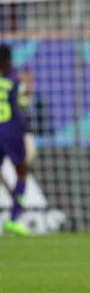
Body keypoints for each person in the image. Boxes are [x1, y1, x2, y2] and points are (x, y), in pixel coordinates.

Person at [0, 44, 30, 236]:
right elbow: (21, 105)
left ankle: (15, 201)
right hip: (10, 130)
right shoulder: (14, 81)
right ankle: (13, 217)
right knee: (22, 171)